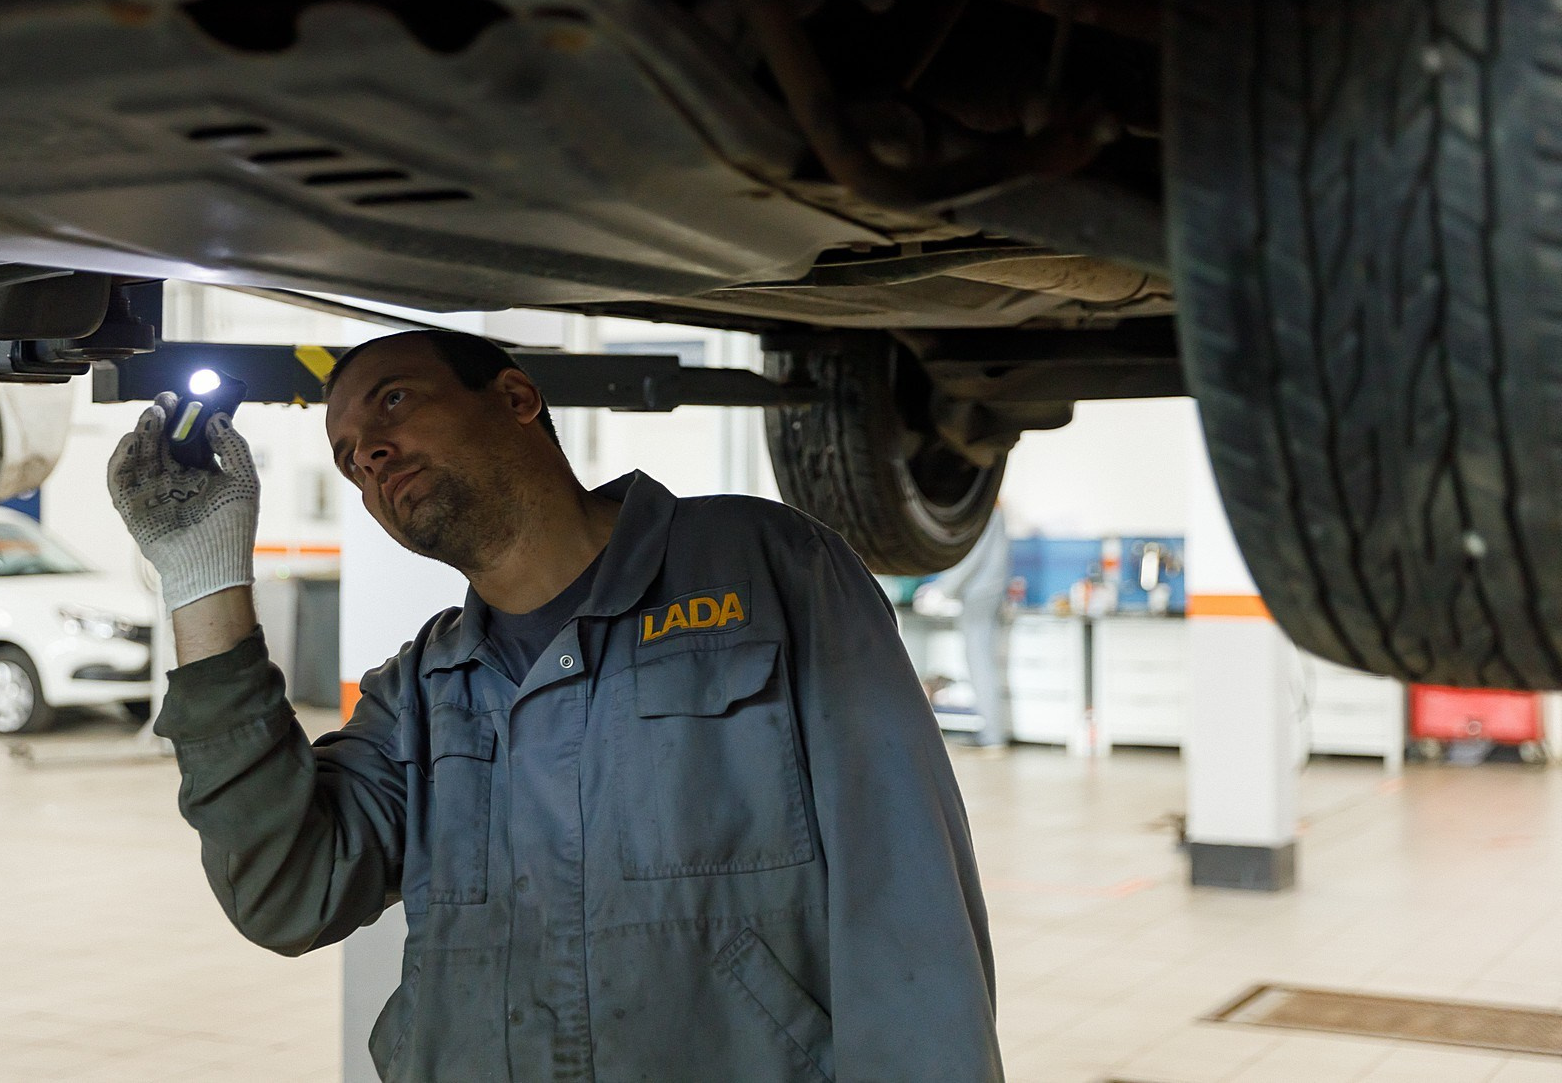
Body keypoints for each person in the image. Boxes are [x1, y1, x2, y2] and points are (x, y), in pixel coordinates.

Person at [107, 328, 1002, 1082]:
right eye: (346, 456)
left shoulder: (763, 567)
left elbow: (905, 891)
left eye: (392, 404)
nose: (368, 455)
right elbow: (287, 893)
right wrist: (202, 582)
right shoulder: (419, 692)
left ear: (517, 396)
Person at [914, 506, 1013, 751]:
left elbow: (971, 560)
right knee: (981, 662)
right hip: (987, 593)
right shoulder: (994, 513)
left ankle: (992, 737)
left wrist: (942, 589)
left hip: (979, 595)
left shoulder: (983, 514)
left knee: (979, 664)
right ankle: (992, 734)